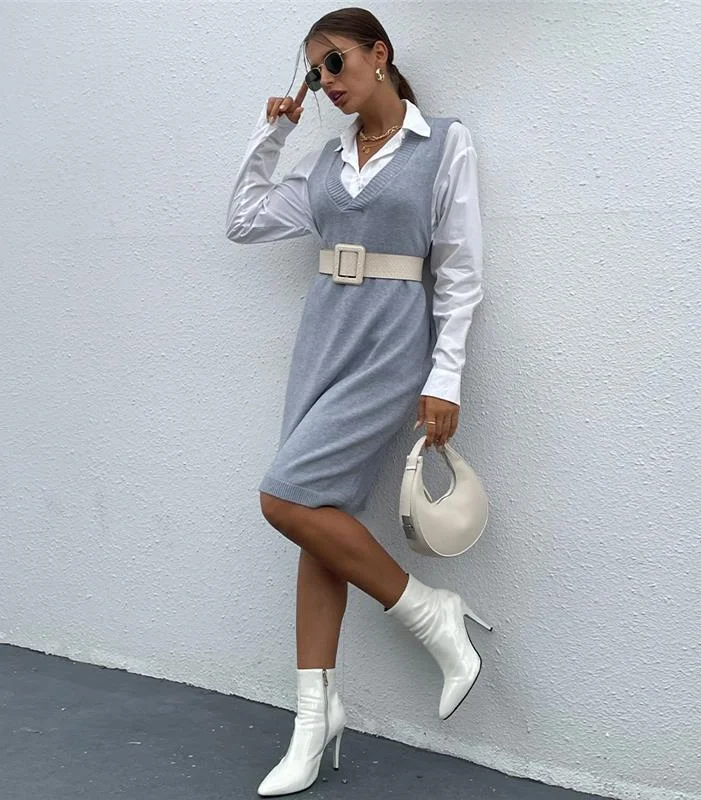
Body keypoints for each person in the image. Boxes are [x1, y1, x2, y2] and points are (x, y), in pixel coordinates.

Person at [226, 7, 490, 797]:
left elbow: (461, 272)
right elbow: (243, 221)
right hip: (323, 341)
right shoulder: (325, 163)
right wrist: (274, 132)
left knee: (284, 497)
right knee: (317, 516)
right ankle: (316, 717)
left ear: (380, 54)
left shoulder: (444, 143)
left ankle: (432, 614)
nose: (326, 82)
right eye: (314, 74)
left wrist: (444, 378)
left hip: (389, 342)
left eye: (334, 63)